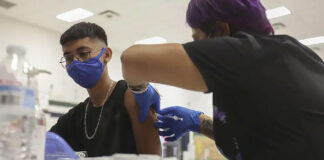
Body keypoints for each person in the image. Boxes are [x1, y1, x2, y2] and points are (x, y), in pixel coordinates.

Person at [120, 0, 324, 160]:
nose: (195, 46)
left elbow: (131, 60)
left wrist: (140, 89)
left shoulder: (241, 53)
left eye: (196, 40)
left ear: (220, 31)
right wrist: (197, 121)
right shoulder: (292, 54)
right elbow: (264, 136)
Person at [50, 22, 161, 157]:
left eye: (83, 53)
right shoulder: (75, 116)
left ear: (106, 55)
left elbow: (152, 157)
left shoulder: (132, 97)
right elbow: (40, 145)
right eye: (68, 58)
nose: (75, 62)